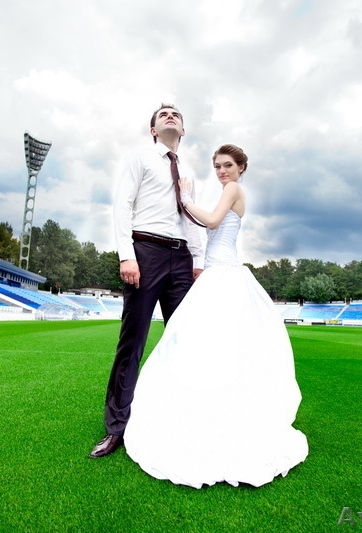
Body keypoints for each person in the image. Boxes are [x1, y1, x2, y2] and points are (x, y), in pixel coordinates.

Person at [123, 144, 308, 488]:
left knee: (213, 347)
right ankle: (209, 415)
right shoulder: (228, 191)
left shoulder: (234, 190)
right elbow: (207, 227)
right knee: (206, 349)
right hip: (213, 274)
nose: (222, 171)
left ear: (240, 168)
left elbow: (210, 220)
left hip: (225, 276)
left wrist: (185, 197)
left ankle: (224, 423)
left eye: (227, 165)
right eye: (218, 166)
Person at [89, 104, 204, 459]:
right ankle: (116, 429)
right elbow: (122, 205)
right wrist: (127, 254)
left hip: (181, 256)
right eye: (163, 115)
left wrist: (197, 261)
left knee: (184, 341)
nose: (170, 118)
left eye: (176, 116)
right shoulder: (139, 157)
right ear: (153, 129)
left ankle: (179, 416)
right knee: (133, 343)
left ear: (183, 131)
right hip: (146, 251)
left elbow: (191, 216)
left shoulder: (187, 170)